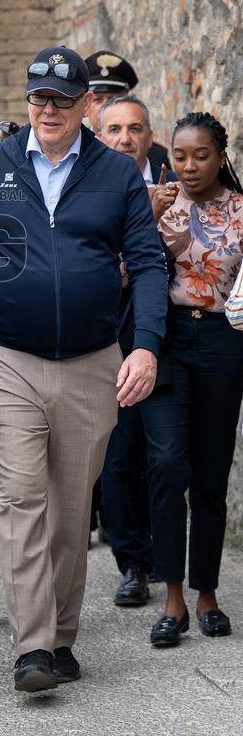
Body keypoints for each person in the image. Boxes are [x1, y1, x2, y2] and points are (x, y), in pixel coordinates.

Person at [0, 45, 167, 693]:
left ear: (85, 106)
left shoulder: (115, 174)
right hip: (7, 358)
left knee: (71, 508)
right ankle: (32, 647)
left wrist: (145, 344)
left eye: (61, 100)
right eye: (37, 97)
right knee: (21, 499)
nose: (46, 109)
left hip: (91, 362)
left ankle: (61, 637)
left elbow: (148, 263)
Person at [143, 111, 243, 646]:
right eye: (179, 156)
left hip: (226, 342)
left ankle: (206, 593)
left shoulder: (241, 210)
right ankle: (172, 597)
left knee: (209, 470)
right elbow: (121, 270)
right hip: (166, 341)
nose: (188, 166)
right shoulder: (157, 205)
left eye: (200, 155)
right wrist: (144, 217)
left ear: (220, 155)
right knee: (165, 464)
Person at [97, 95, 177, 606]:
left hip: (172, 335)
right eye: (115, 129)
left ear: (150, 135)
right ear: (100, 134)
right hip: (109, 335)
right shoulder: (89, 183)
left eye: (135, 129)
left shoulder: (178, 171)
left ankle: (170, 557)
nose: (125, 138)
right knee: (119, 453)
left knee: (167, 455)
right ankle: (132, 562)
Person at [85, 50, 170, 172]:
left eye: (113, 99)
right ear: (85, 104)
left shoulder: (156, 156)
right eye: (97, 99)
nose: (106, 106)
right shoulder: (73, 151)